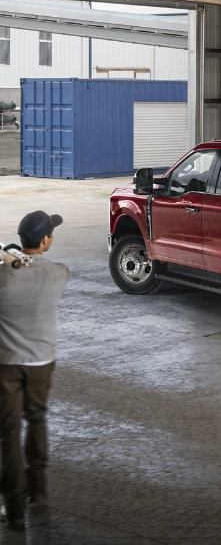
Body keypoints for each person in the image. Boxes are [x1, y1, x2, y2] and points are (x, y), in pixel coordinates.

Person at [0, 211, 69, 530]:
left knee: (9, 433)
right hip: (41, 362)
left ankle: (13, 510)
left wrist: (9, 257)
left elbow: (11, 269)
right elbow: (37, 269)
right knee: (37, 418)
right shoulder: (58, 273)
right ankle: (38, 491)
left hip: (7, 364)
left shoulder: (3, 273)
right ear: (44, 240)